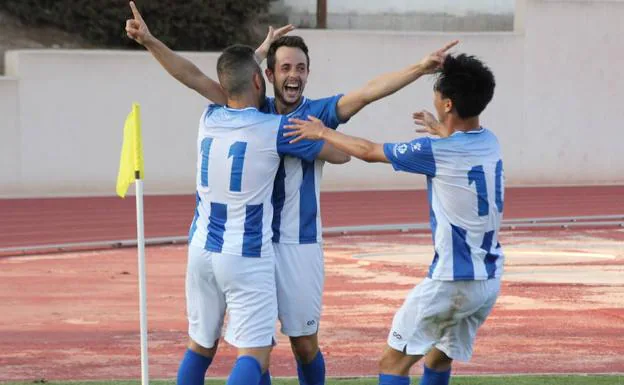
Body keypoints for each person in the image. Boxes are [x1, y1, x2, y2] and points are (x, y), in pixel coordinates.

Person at [125, 3, 457, 383]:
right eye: (285, 67)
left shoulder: (309, 113)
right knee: (258, 347)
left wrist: (418, 68)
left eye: (300, 67)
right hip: (254, 248)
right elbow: (196, 75)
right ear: (266, 75)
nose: (293, 74)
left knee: (303, 344)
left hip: (297, 245)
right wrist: (154, 42)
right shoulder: (259, 113)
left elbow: (366, 94)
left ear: (308, 74)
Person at [284, 53, 504, 385]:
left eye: (438, 94)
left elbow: (367, 150)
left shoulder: (434, 152)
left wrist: (322, 132)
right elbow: (461, 153)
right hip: (487, 281)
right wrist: (443, 132)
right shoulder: (490, 142)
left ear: (447, 105)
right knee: (438, 358)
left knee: (392, 364)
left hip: (451, 282)